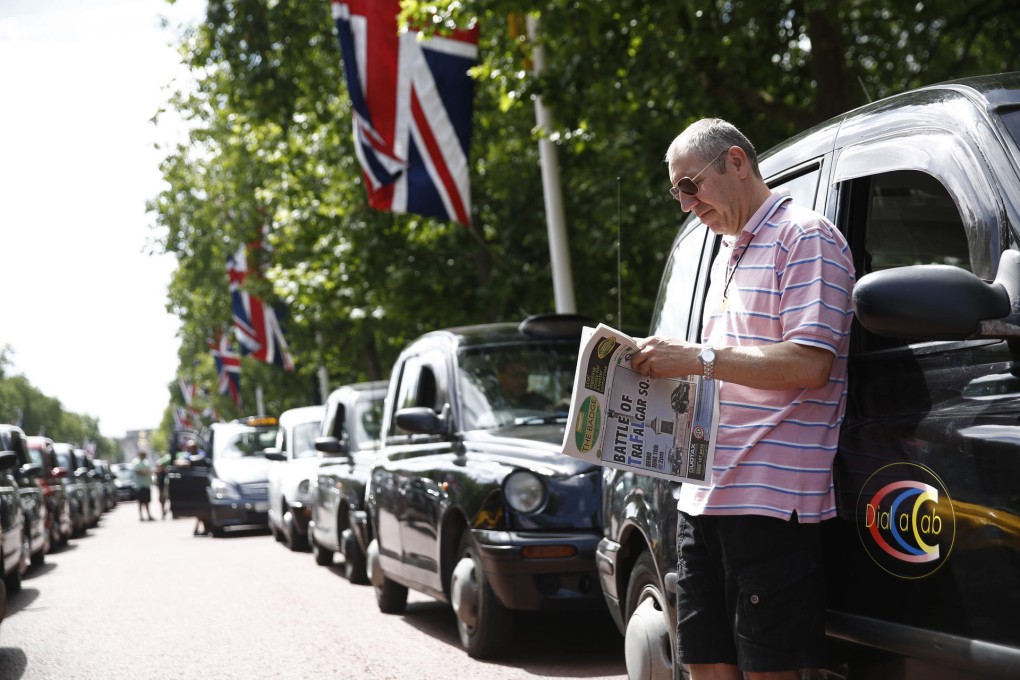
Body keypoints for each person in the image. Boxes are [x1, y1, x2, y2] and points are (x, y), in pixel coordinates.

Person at [629, 118, 855, 679]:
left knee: (766, 671)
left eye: (689, 185)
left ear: (736, 162)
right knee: (704, 666)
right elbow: (727, 372)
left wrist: (697, 357)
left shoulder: (807, 237)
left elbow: (811, 364)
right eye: (676, 191)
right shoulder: (729, 249)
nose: (685, 204)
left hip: (769, 503)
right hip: (703, 496)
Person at [175, 439, 209, 535]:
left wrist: (190, 463)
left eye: (194, 447)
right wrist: (188, 463)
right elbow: (178, 462)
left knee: (202, 507)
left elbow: (203, 459)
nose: (192, 449)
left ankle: (202, 528)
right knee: (199, 508)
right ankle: (201, 528)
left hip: (203, 483)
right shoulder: (186, 456)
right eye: (190, 447)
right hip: (193, 484)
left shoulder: (201, 454)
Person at [132, 450, 155, 521]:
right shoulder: (136, 462)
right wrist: (149, 471)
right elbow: (141, 472)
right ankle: (141, 516)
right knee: (141, 502)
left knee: (147, 501)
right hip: (140, 485)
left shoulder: (146, 462)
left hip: (147, 485)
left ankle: (148, 515)